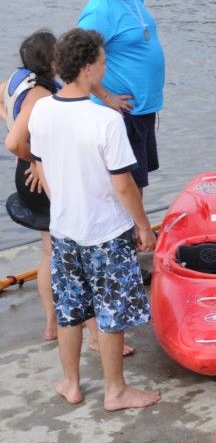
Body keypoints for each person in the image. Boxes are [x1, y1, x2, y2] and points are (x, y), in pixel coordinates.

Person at [28, 28, 160, 410]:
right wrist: (143, 224)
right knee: (111, 311)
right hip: (105, 230)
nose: (105, 67)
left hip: (65, 229)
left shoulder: (43, 111)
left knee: (70, 309)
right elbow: (123, 186)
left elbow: (38, 160)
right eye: (102, 62)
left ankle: (71, 383)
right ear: (87, 68)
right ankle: (115, 390)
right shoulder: (105, 121)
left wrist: (60, 201)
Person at [77, 0, 165, 193]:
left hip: (142, 109)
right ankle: (136, 232)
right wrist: (106, 97)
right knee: (125, 185)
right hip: (122, 114)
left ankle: (139, 229)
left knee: (139, 182)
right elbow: (76, 63)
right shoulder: (97, 13)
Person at [3, 30, 61, 340]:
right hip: (39, 177)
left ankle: (51, 323)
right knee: (66, 252)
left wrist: (12, 121)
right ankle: (90, 333)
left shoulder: (18, 78)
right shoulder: (41, 95)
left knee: (49, 251)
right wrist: (33, 158)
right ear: (52, 62)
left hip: (28, 175)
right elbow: (12, 143)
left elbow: (2, 99)